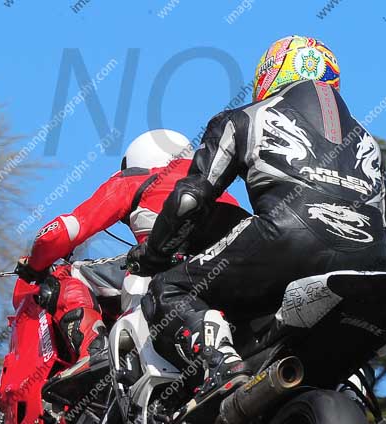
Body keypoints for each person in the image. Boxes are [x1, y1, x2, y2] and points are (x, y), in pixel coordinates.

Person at [128, 36, 386, 416]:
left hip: (287, 239)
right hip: (370, 261)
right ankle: (352, 388)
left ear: (273, 72)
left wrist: (155, 254)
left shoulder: (245, 118)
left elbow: (189, 199)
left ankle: (221, 365)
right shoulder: (369, 142)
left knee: (167, 289)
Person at [18, 129, 242, 390]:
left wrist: (34, 263)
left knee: (69, 274)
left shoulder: (140, 178)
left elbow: (64, 231)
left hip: (166, 272)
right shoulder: (221, 190)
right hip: (230, 274)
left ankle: (94, 350)